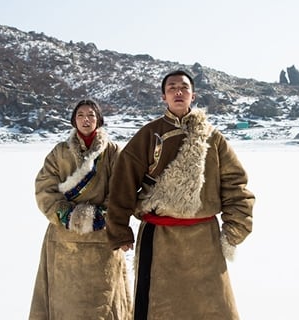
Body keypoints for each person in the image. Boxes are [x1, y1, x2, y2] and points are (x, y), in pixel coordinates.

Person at [106, 70, 255, 320]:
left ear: (192, 95)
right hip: (160, 239)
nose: (178, 92)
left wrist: (236, 227)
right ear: (163, 96)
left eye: (184, 88)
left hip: (204, 241)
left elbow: (235, 184)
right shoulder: (149, 135)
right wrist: (119, 229)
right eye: (172, 88)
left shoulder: (213, 138)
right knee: (158, 310)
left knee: (212, 310)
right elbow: (123, 183)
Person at [29, 98, 132, 320]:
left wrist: (102, 216)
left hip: (103, 236)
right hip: (63, 238)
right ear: (74, 120)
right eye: (81, 115)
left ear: (99, 120)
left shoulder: (113, 151)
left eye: (91, 115)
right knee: (64, 302)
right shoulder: (59, 152)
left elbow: (122, 189)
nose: (86, 119)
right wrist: (66, 215)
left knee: (105, 302)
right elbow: (44, 188)